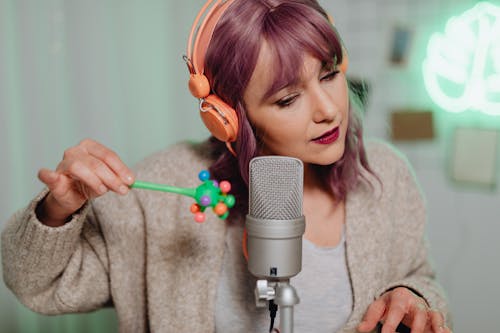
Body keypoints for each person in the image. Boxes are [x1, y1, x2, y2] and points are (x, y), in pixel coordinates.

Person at [1, 0, 452, 332]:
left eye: (330, 74)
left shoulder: (386, 176)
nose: (328, 110)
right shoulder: (165, 190)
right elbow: (38, 284)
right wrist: (56, 211)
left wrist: (414, 296)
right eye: (288, 98)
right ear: (229, 117)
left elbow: (418, 274)